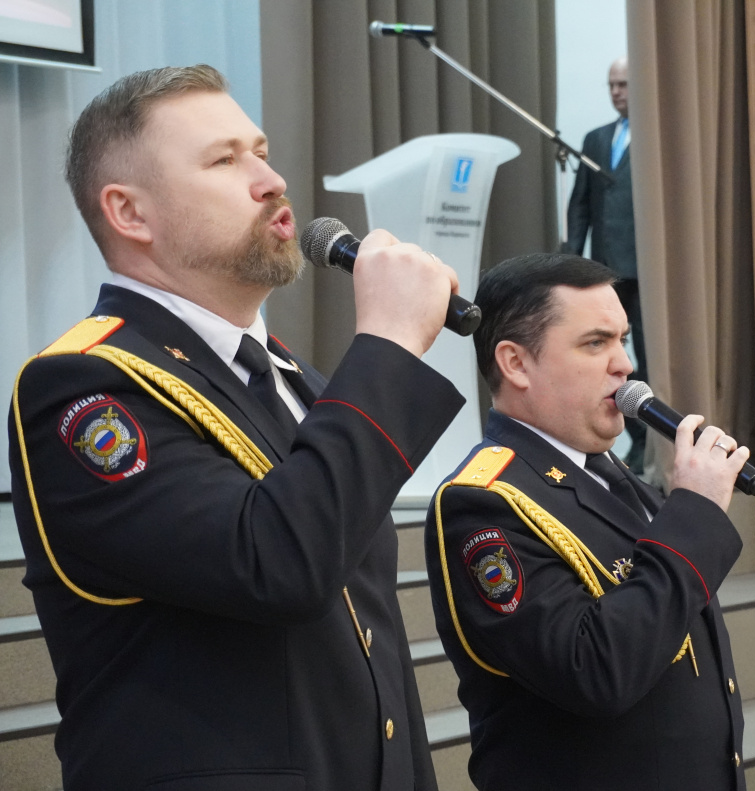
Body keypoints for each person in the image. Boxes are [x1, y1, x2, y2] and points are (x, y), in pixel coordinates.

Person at [7, 65, 464, 790]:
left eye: (262, 152)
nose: (272, 180)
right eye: (225, 161)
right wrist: (386, 345)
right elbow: (277, 563)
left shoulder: (295, 378)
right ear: (129, 213)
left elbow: (371, 639)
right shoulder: (84, 385)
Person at [425, 253, 749, 790]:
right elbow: (595, 671)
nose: (624, 364)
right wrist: (693, 512)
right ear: (516, 364)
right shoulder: (483, 502)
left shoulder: (614, 476)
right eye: (596, 343)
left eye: (623, 340)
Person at [562, 56, 647, 470]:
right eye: (611, 85)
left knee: (643, 358)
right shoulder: (595, 139)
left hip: (645, 270)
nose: (616, 92)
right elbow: (580, 205)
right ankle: (627, 440)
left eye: (624, 84)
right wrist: (569, 261)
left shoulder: (655, 135)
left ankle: (648, 443)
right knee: (604, 358)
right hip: (605, 272)